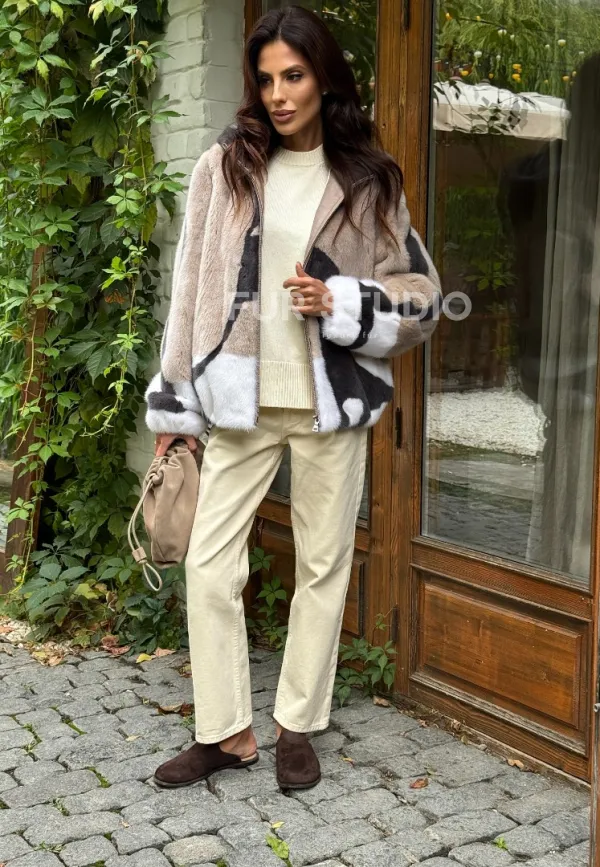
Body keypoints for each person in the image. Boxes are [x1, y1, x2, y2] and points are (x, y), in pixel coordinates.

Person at [144, 4, 442, 792]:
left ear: (324, 79)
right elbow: (189, 293)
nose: (278, 94)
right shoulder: (225, 168)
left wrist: (340, 302)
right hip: (238, 405)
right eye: (267, 78)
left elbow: (421, 297)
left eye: (295, 76)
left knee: (322, 566)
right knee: (210, 565)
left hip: (327, 405)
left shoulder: (368, 181)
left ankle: (296, 725)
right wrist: (175, 412)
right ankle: (226, 731)